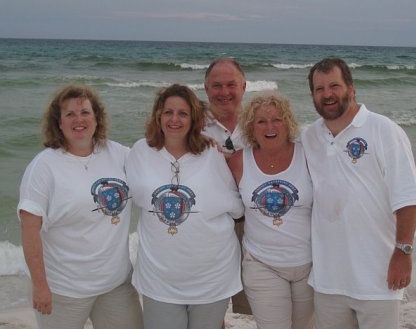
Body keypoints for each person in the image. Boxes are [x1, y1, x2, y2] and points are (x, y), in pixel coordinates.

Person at [302, 57, 416, 329]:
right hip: (328, 279)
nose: (327, 94)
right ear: (312, 95)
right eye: (319, 89)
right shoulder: (309, 137)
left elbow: (408, 198)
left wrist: (403, 252)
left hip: (377, 278)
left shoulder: (384, 130)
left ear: (351, 88)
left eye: (334, 85)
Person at [17, 85, 143, 329]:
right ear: (59, 123)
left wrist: (202, 147)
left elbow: (157, 164)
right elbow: (30, 229)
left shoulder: (119, 154)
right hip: (64, 290)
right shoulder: (44, 166)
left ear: (97, 118)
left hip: (115, 285)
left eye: (85, 112)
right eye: (70, 114)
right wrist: (40, 286)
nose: (79, 120)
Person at [125, 84, 244, 329]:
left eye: (183, 113)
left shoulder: (211, 153)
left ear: (193, 119)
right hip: (159, 278)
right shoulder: (139, 152)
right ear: (158, 115)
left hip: (212, 275)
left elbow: (236, 206)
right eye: (168, 112)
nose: (174, 119)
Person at [228, 92, 314, 329]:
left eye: (277, 119)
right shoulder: (237, 161)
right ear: (250, 128)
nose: (270, 127)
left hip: (311, 264)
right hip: (262, 263)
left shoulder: (308, 156)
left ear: (288, 123)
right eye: (261, 121)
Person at [203, 57, 253, 320]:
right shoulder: (190, 126)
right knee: (211, 306)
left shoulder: (261, 123)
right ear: (206, 88)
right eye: (217, 85)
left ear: (244, 86)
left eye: (231, 85)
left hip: (257, 223)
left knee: (266, 302)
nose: (224, 92)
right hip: (210, 225)